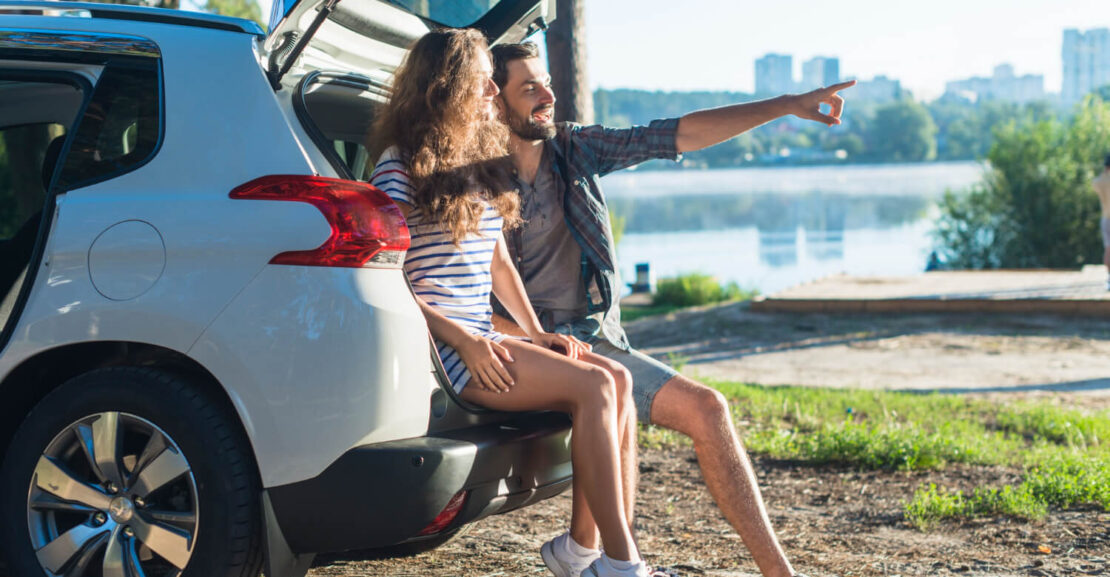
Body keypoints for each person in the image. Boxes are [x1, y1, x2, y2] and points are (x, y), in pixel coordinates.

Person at [489, 41, 854, 577]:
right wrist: (533, 336)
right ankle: (606, 559)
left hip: (597, 341)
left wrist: (784, 104)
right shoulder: (470, 179)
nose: (548, 94)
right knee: (611, 394)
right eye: (529, 88)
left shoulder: (577, 149)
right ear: (495, 103)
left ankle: (779, 573)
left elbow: (677, 133)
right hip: (524, 350)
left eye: (546, 82)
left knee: (708, 409)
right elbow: (458, 289)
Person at [369, 29, 656, 577]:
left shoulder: (474, 162)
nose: (489, 94)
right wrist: (465, 340)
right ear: (446, 87)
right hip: (449, 352)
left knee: (615, 380)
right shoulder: (398, 166)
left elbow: (498, 264)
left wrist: (532, 330)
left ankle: (579, 552)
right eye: (481, 83)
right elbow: (383, 280)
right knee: (595, 386)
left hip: (489, 339)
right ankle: (622, 567)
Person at [1093, 154, 1110, 289]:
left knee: (1108, 248)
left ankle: (1109, 277)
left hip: (1106, 218)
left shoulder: (1100, 181)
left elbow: (1095, 183)